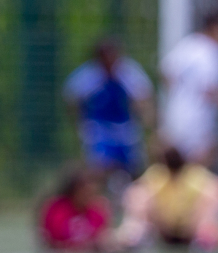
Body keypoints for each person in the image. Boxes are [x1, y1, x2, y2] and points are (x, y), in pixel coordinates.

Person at [62, 38, 154, 181]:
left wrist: (143, 115)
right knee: (99, 166)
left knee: (134, 165)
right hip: (99, 126)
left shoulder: (127, 72)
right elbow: (72, 97)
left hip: (125, 125)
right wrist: (80, 121)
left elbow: (143, 96)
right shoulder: (90, 75)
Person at [116, 147, 218, 253]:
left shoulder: (194, 176)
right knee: (140, 196)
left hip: (190, 227)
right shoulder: (158, 175)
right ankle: (135, 234)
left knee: (209, 198)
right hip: (164, 227)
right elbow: (134, 192)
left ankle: (206, 237)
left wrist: (196, 215)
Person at [159, 12, 218, 165]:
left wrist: (180, 94)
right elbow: (209, 91)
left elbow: (166, 73)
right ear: (216, 28)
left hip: (175, 115)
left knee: (174, 166)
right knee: (200, 163)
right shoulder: (213, 52)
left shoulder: (189, 43)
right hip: (197, 120)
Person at [38, 166, 115, 253]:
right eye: (86, 191)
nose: (90, 195)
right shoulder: (56, 209)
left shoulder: (97, 210)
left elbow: (103, 237)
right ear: (74, 190)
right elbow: (51, 241)